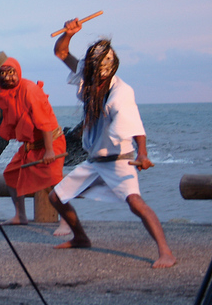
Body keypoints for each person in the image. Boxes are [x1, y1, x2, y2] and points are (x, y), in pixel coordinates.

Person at [48, 18, 176, 268]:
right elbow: (61, 52)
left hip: (119, 160)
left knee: (136, 204)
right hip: (95, 161)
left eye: (95, 78)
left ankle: (166, 252)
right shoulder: (89, 74)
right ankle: (81, 238)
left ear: (107, 74)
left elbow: (136, 126)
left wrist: (142, 154)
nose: (90, 82)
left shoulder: (121, 93)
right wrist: (69, 33)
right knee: (55, 197)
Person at [0, 57, 69, 235]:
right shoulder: (8, 92)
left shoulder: (29, 90)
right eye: (3, 74)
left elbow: (44, 123)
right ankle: (20, 215)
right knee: (11, 174)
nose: (8, 78)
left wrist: (49, 150)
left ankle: (66, 222)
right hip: (31, 145)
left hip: (51, 141)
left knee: (54, 181)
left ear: (18, 72)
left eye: (11, 73)